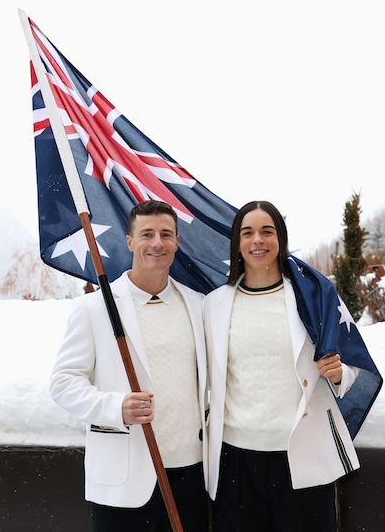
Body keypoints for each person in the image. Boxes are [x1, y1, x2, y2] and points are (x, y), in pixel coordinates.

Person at [50, 199, 209, 532]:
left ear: (177, 243)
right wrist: (115, 407)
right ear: (129, 241)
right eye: (147, 234)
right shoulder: (94, 308)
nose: (157, 243)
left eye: (166, 234)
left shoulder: (199, 306)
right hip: (124, 482)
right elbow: (63, 383)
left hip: (192, 478)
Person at [204, 200, 361, 532]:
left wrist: (339, 374)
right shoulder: (213, 305)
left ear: (281, 239)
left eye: (267, 231)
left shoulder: (313, 297)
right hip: (236, 461)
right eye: (247, 233)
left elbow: (354, 364)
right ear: (236, 243)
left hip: (303, 456)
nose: (257, 241)